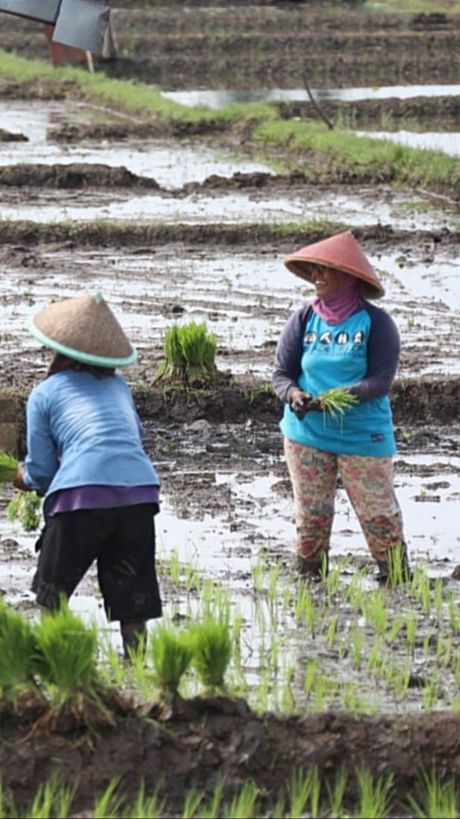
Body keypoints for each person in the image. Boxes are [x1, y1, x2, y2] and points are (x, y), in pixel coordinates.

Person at [14, 292, 162, 656]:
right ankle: (139, 672)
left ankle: (57, 665)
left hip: (80, 496)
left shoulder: (45, 393)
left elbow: (42, 470)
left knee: (53, 596)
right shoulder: (118, 386)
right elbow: (131, 437)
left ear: (57, 349)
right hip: (140, 492)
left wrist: (23, 479)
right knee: (132, 599)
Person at [272, 230, 409, 583]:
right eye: (314, 271)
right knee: (312, 517)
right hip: (307, 433)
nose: (316, 277)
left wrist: (337, 398)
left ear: (348, 277)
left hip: (362, 435)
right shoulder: (303, 320)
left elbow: (380, 381)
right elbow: (282, 375)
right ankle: (309, 581)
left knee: (379, 515)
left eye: (325, 271)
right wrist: (295, 396)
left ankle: (396, 580)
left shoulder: (377, 324)